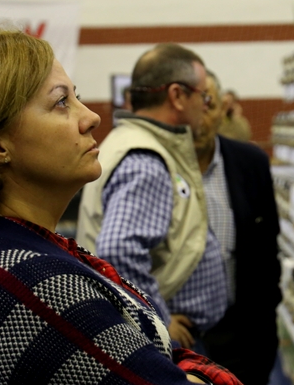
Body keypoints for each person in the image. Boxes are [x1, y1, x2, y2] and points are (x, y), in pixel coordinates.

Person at [0, 27, 257, 385]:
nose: (91, 117)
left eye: (77, 95)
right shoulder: (40, 288)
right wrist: (181, 378)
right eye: (61, 103)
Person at [78, 43, 227, 349]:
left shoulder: (135, 143)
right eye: (204, 96)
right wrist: (159, 317)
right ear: (177, 96)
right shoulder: (147, 160)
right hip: (160, 339)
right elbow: (119, 250)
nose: (207, 106)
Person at [195, 72, 282, 385]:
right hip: (183, 334)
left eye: (209, 103)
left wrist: (264, 327)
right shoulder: (151, 166)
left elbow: (268, 250)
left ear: (222, 110)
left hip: (243, 336)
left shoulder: (250, 163)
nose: (199, 116)